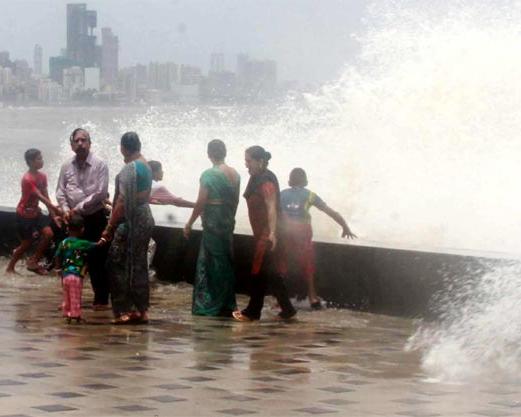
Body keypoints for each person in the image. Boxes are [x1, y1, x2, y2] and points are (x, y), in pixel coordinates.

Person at [232, 146, 296, 322]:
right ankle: (288, 309)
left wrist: (272, 233)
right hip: (264, 231)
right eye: (245, 161)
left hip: (269, 233)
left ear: (260, 161)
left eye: (249, 161)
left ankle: (253, 312)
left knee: (259, 270)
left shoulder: (265, 181)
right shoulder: (256, 178)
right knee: (272, 273)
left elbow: (271, 208)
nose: (246, 165)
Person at [279, 168, 356, 309]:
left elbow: (271, 212)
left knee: (283, 262)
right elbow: (330, 212)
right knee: (307, 262)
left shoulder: (281, 194)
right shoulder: (310, 195)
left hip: (285, 231)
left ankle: (280, 300)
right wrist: (345, 227)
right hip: (302, 231)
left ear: (290, 181)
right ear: (305, 181)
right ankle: (312, 297)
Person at [184, 140, 240, 317]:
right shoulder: (236, 174)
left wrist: (190, 222)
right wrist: (229, 217)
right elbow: (236, 200)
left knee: (209, 262)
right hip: (227, 220)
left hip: (213, 221)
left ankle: (209, 303)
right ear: (225, 152)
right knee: (226, 260)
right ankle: (227, 302)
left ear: (209, 154)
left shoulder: (209, 174)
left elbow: (201, 201)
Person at [102, 132, 154, 324]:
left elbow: (122, 201)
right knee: (138, 263)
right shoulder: (146, 165)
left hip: (130, 220)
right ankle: (141, 310)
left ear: (123, 148)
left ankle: (123, 310)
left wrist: (109, 227)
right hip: (145, 217)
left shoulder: (128, 169)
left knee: (115, 262)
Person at [56, 128, 110, 309]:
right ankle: (69, 300)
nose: (80, 144)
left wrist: (77, 208)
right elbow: (60, 191)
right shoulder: (66, 166)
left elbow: (100, 192)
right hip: (72, 219)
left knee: (96, 260)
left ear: (90, 143)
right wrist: (64, 209)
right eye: (77, 141)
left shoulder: (100, 164)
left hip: (94, 217)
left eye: (84, 140)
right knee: (70, 259)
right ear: (72, 145)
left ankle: (101, 299)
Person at [6, 149, 61, 275]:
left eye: (42, 158)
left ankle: (33, 261)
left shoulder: (43, 176)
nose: (42, 161)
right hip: (24, 215)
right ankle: (10, 268)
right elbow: (40, 196)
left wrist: (53, 215)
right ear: (30, 162)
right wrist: (58, 210)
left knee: (49, 234)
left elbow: (46, 196)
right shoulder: (27, 179)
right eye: (38, 159)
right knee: (26, 243)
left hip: (36, 212)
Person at [54, 214, 106, 324]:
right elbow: (97, 245)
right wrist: (103, 239)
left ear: (68, 228)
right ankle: (76, 316)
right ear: (82, 229)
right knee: (76, 296)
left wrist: (58, 269)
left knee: (67, 296)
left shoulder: (63, 243)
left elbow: (57, 255)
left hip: (65, 275)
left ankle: (67, 314)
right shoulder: (82, 243)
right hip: (76, 275)